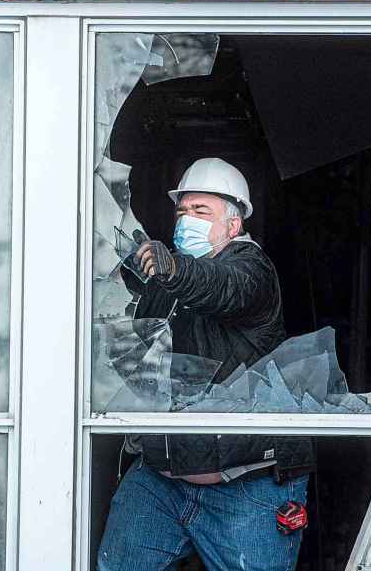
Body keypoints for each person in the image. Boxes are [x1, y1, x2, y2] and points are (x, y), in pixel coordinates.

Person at [98, 157, 316, 571]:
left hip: (248, 486)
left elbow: (220, 286)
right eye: (183, 211)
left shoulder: (251, 270)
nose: (187, 220)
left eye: (202, 211)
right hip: (162, 481)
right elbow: (136, 353)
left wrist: (174, 268)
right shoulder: (168, 283)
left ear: (233, 226)